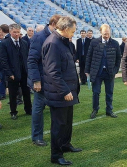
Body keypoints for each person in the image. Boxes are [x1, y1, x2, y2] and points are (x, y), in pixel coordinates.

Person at [42, 16, 82, 165]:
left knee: (67, 122)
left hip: (68, 92)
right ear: (65, 29)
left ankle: (65, 145)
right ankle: (56, 155)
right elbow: (53, 72)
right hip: (59, 94)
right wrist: (65, 91)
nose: (74, 34)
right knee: (58, 125)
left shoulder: (63, 42)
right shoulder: (53, 43)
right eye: (72, 31)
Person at [27, 14, 61, 146]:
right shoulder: (39, 37)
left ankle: (56, 134)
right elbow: (32, 60)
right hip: (41, 81)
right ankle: (37, 137)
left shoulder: (57, 37)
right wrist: (36, 80)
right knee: (38, 108)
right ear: (53, 25)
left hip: (53, 80)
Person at [85, 24, 121, 119]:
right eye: (105, 33)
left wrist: (115, 70)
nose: (106, 35)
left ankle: (109, 110)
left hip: (109, 73)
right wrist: (87, 70)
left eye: (108, 33)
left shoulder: (115, 43)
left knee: (109, 92)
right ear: (100, 32)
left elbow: (118, 58)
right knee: (96, 92)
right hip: (97, 72)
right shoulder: (94, 42)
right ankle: (95, 109)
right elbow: (89, 57)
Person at [0, 24, 32, 120]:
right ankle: (13, 112)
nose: (17, 34)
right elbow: (3, 60)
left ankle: (28, 109)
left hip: (24, 72)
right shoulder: (4, 43)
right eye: (14, 32)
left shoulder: (24, 43)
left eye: (18, 32)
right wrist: (9, 73)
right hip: (12, 74)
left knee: (26, 92)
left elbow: (27, 58)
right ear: (10, 32)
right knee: (13, 94)